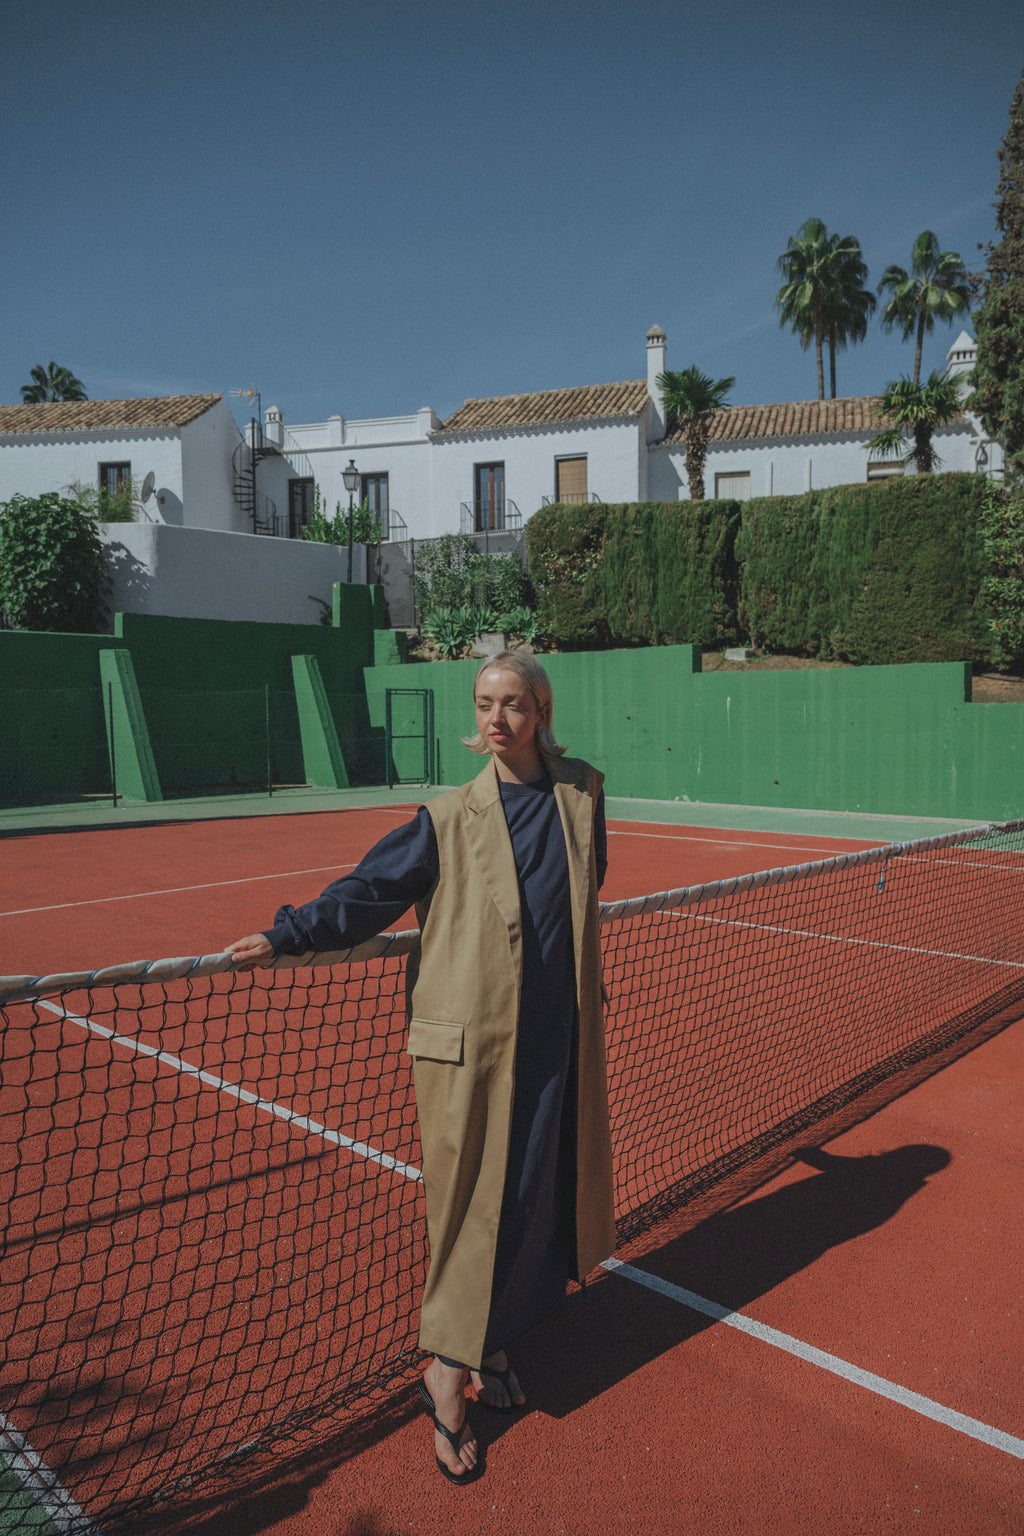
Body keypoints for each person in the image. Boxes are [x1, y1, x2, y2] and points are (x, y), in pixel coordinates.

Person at [227, 651, 615, 1484]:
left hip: (558, 1036)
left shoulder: (583, 792)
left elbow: (585, 891)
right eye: (484, 704)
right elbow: (368, 892)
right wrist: (289, 932)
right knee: (473, 1202)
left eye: (512, 703)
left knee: (534, 1196)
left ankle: (490, 1340)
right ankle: (444, 1369)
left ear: (541, 711)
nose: (496, 719)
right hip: (476, 1046)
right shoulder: (445, 819)